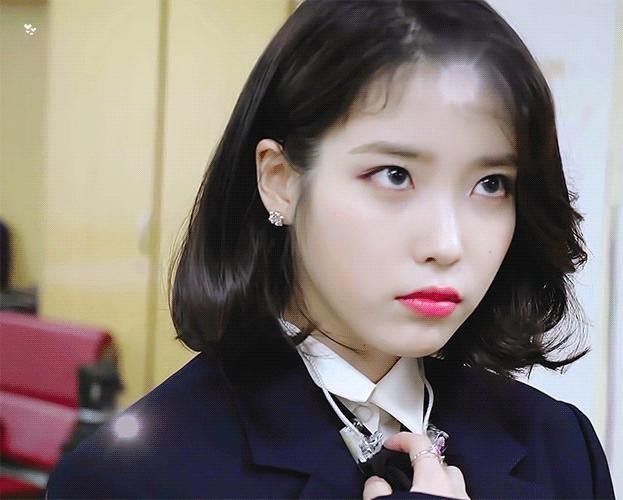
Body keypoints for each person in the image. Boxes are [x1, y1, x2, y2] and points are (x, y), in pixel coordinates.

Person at [46, 0, 615, 498]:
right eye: (394, 175)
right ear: (280, 180)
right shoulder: (131, 480)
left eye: (490, 184)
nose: (447, 244)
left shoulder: (560, 447)